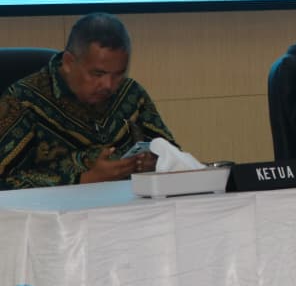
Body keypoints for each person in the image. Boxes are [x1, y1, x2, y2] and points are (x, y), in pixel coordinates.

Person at [0, 13, 177, 189]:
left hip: (133, 203)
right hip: (55, 206)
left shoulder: (131, 92)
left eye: (118, 74)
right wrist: (85, 179)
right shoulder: (22, 101)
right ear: (68, 62)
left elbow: (174, 156)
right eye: (97, 74)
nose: (108, 85)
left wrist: (156, 164)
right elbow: (4, 182)